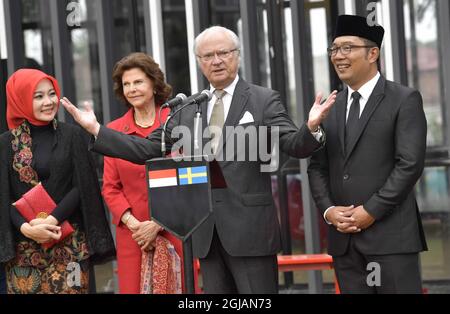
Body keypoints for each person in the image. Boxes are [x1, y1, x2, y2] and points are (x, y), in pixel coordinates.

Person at [61, 26, 337, 294]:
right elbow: (145, 148)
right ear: (199, 62)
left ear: (237, 55)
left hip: (250, 231)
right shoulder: (189, 107)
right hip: (205, 234)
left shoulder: (262, 100)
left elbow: (293, 144)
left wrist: (311, 127)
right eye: (207, 56)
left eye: (223, 53)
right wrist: (97, 130)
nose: (216, 61)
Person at [308, 15, 428, 294]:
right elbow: (317, 167)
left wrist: (370, 211)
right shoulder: (330, 108)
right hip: (344, 243)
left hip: (391, 241)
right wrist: (329, 211)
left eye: (347, 48)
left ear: (373, 53)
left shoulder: (403, 99)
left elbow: (409, 164)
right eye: (334, 49)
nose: (338, 56)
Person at [0, 69, 115, 294]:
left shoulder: (72, 135)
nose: (48, 102)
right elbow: (3, 195)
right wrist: (27, 228)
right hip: (24, 252)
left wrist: (51, 220)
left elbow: (82, 185)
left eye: (52, 94)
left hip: (69, 245)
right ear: (20, 99)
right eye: (38, 96)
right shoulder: (5, 144)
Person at [102, 52, 183, 294]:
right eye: (126, 84)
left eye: (138, 82)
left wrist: (157, 223)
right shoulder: (114, 131)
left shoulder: (178, 123)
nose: (132, 89)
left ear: (154, 83)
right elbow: (110, 187)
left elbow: (188, 179)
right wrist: (135, 225)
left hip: (175, 228)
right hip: (133, 235)